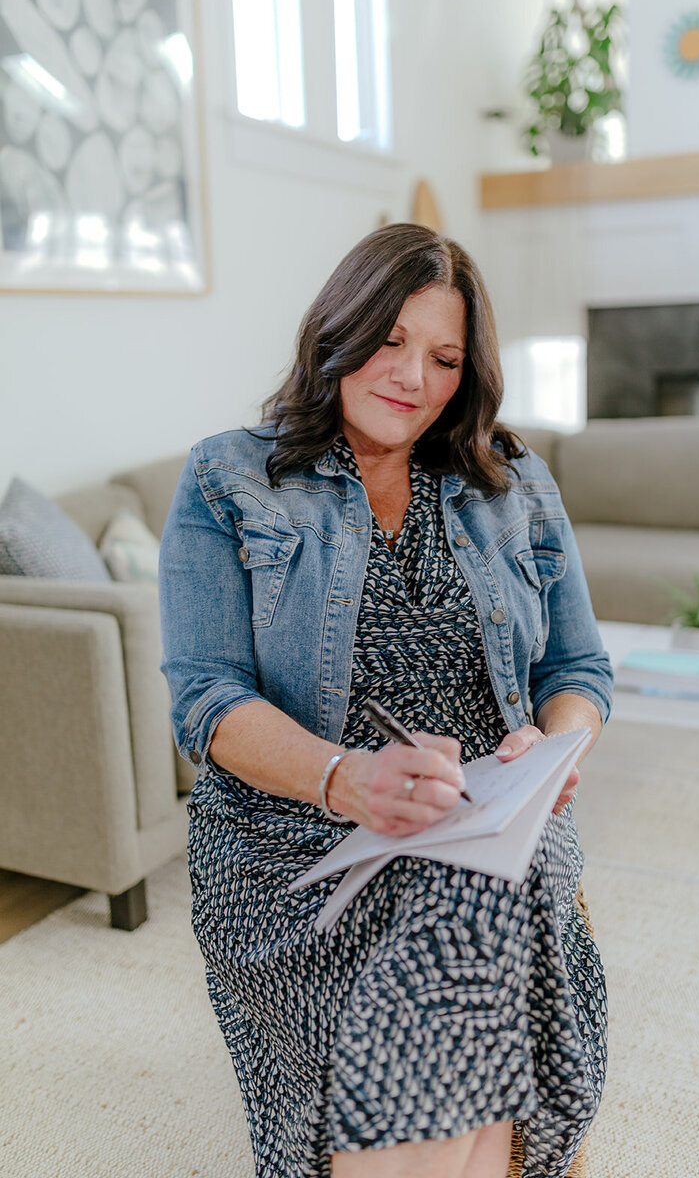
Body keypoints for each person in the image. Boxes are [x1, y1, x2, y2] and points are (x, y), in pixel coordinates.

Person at [159, 223, 614, 1178]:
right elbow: (205, 701)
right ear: (338, 325)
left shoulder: (515, 480)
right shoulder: (226, 477)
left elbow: (578, 671)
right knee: (469, 1036)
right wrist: (347, 779)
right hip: (292, 835)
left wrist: (552, 749)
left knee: (475, 911)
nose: (412, 376)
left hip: (488, 820)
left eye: (445, 357)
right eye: (391, 339)